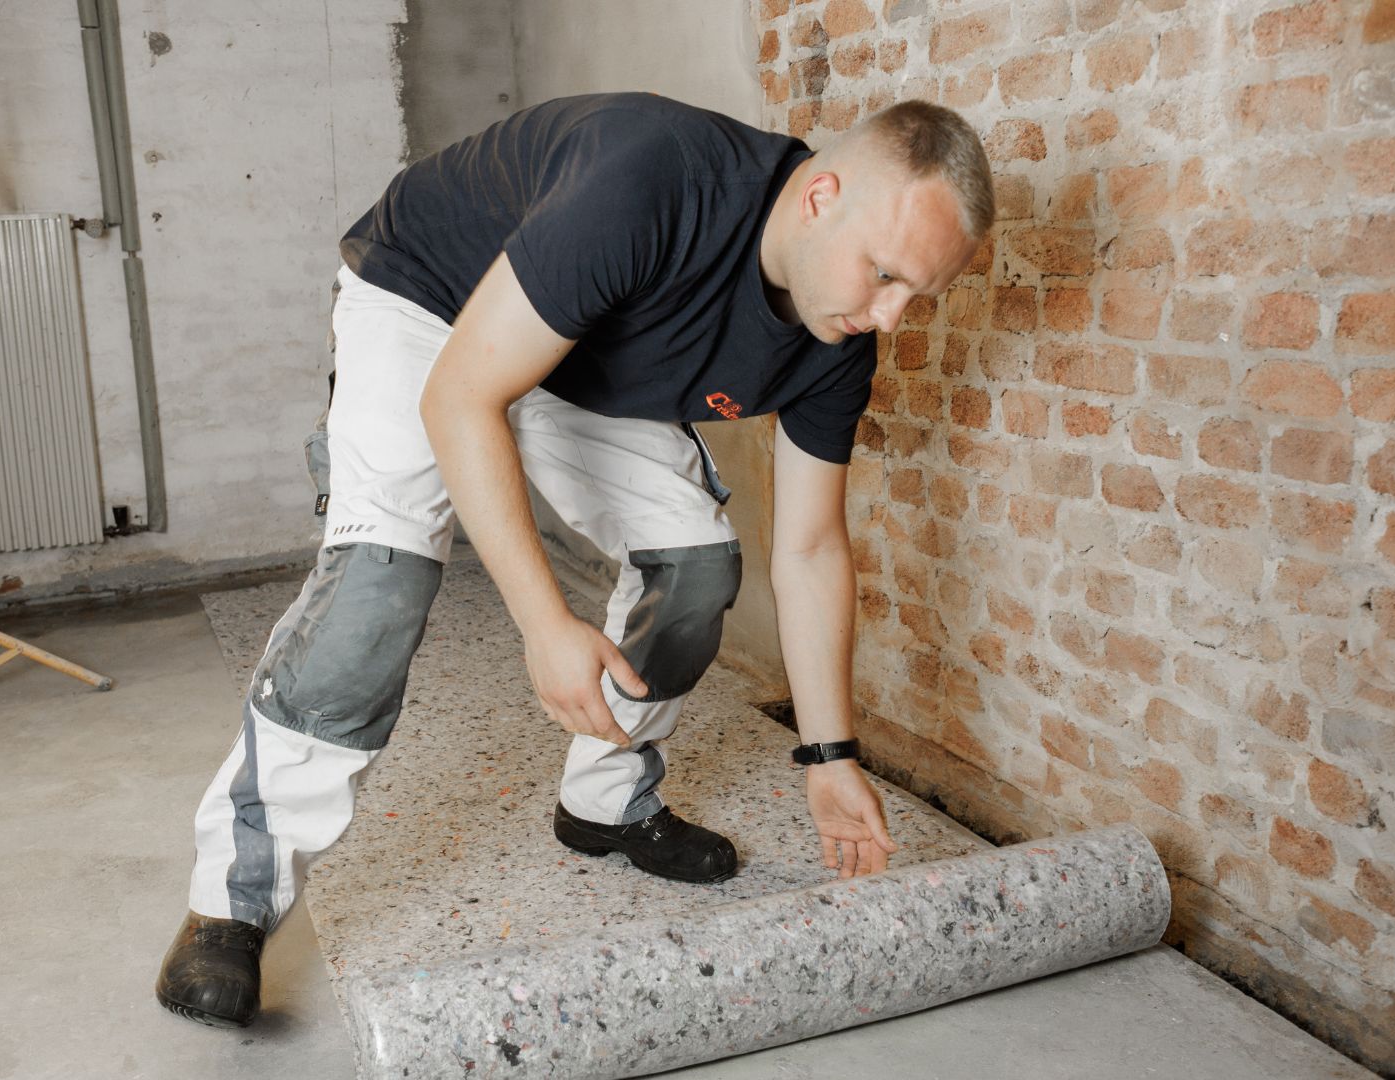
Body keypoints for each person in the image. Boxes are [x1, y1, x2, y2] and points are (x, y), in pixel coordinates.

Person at [155, 92, 993, 1029]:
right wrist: (544, 623)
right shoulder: (650, 181)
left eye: (916, 295)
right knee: (379, 581)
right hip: (432, 302)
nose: (889, 317)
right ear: (818, 197)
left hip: (580, 347)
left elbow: (807, 547)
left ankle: (604, 804)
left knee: (697, 567)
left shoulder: (834, 339)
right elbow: (463, 395)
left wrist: (829, 755)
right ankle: (232, 899)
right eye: (884, 275)